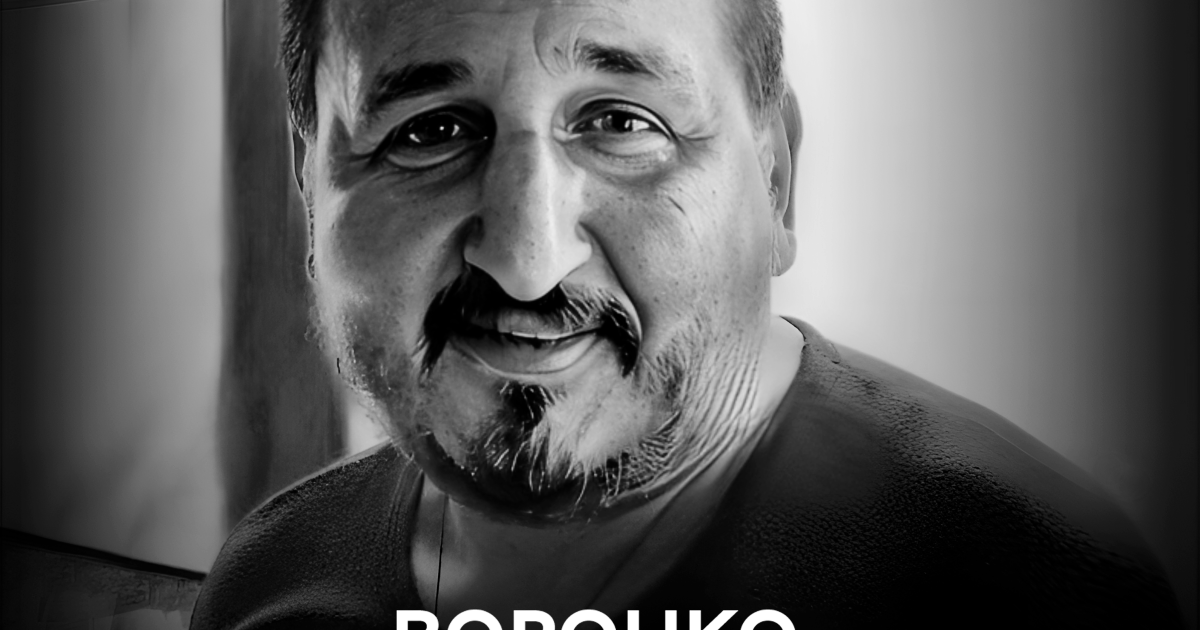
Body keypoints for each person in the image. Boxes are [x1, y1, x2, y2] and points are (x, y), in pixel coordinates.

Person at [192, 0, 1181, 627]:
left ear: (775, 179)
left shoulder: (1024, 588)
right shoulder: (268, 582)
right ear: (310, 195)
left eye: (622, 123)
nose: (529, 261)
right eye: (430, 131)